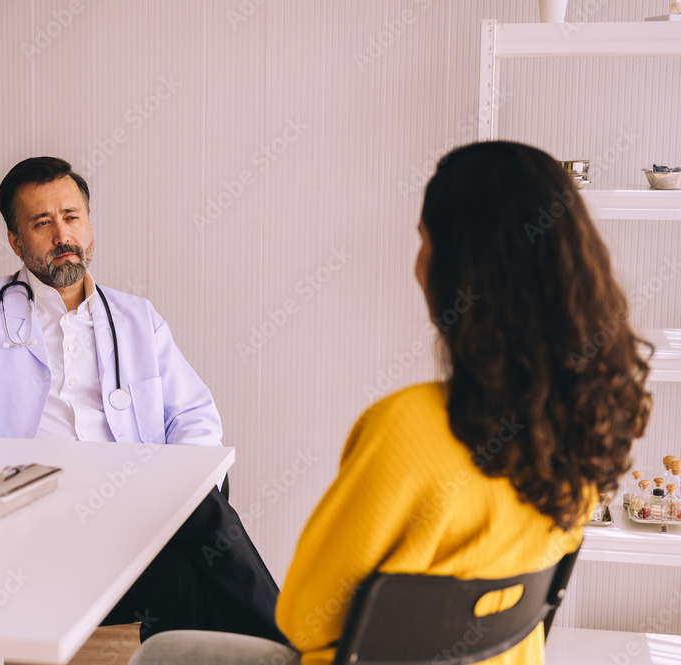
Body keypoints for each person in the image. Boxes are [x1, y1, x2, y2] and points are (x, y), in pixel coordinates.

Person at [128, 141, 652, 665]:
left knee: (164, 651)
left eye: (425, 241)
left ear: (460, 270)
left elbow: (303, 620)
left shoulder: (408, 427)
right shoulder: (591, 416)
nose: (417, 264)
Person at [0, 156, 284, 643]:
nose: (62, 235)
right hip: (26, 511)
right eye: (42, 223)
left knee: (197, 521)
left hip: (128, 509)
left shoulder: (137, 318)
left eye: (72, 217)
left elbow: (193, 416)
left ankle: (278, 650)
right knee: (196, 555)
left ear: (88, 225)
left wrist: (179, 479)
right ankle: (294, 648)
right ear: (16, 241)